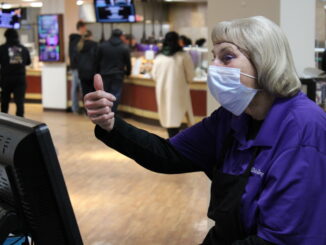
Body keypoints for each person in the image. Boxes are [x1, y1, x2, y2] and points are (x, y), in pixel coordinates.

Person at [84, 16, 326, 245]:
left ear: (264, 62)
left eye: (227, 57)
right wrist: (111, 124)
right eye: (214, 57)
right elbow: (168, 155)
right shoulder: (233, 117)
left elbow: (281, 238)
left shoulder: (303, 127)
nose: (214, 66)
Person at [151, 31, 195, 137]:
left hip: (162, 91)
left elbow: (154, 76)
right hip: (179, 92)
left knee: (168, 116)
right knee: (177, 116)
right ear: (177, 41)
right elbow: (190, 76)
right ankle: (176, 142)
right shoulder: (183, 56)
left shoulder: (159, 57)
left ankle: (172, 140)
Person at [95, 28, 131, 113]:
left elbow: (96, 61)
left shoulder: (102, 46)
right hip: (118, 74)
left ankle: (104, 111)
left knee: (104, 94)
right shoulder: (124, 47)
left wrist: (97, 72)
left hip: (104, 74)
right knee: (115, 95)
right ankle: (112, 112)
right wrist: (128, 73)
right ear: (121, 36)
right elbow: (128, 63)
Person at [0, 29, 31, 117]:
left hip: (6, 79)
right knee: (19, 103)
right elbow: (28, 62)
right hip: (20, 80)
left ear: (6, 37)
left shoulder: (2, 48)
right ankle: (20, 124)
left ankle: (3, 124)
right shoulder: (23, 49)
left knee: (5, 103)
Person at [69, 20, 87, 114]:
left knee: (75, 88)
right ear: (81, 27)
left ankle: (75, 107)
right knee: (80, 88)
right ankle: (77, 108)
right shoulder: (78, 40)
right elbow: (77, 54)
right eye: (85, 28)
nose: (86, 30)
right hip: (78, 67)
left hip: (74, 67)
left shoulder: (72, 40)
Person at [76, 30, 98, 97]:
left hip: (82, 73)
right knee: (93, 92)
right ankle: (93, 107)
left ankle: (86, 107)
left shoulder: (79, 45)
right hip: (92, 72)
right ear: (90, 36)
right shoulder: (95, 44)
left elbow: (77, 59)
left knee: (85, 92)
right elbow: (97, 58)